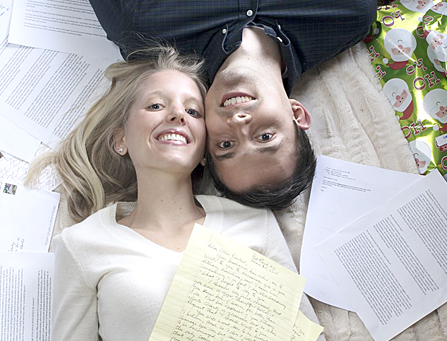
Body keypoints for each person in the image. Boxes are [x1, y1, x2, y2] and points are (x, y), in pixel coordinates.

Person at [31, 46, 323, 341]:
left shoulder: (254, 222)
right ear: (121, 139)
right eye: (156, 106)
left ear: (205, 151)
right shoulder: (81, 245)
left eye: (193, 111)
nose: (177, 115)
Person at [69, 0, 378, 209]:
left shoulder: (142, 28)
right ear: (297, 113)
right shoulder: (349, 10)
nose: (240, 122)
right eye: (265, 137)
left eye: (226, 144)